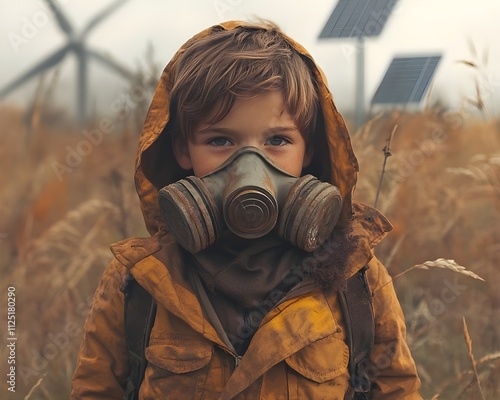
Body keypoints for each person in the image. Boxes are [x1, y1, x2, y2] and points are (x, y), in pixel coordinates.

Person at [71, 20, 422, 399]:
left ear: (311, 151)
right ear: (182, 151)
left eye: (277, 140)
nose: (250, 169)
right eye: (220, 140)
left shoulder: (355, 278)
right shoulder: (139, 281)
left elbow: (396, 390)